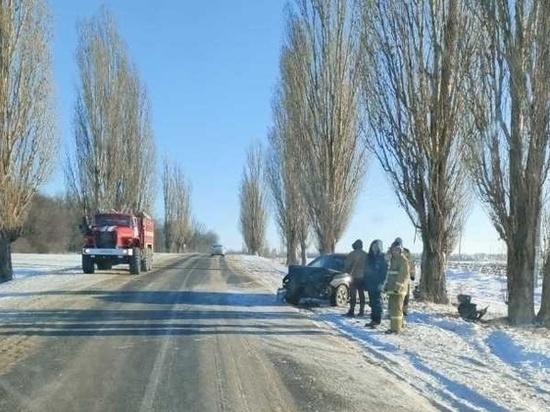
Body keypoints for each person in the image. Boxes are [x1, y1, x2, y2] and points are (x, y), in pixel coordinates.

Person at [384, 243, 410, 334]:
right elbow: (390, 275)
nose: (395, 252)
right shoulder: (393, 260)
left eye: (397, 250)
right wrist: (386, 286)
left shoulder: (403, 261)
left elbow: (403, 276)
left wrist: (397, 288)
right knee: (392, 309)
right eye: (394, 250)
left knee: (396, 309)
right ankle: (398, 326)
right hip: (392, 289)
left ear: (400, 251)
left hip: (398, 290)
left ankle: (395, 329)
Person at [364, 240, 388, 328]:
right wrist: (366, 281)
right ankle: (373, 319)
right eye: (373, 246)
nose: (374, 248)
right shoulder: (369, 257)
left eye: (376, 247)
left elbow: (385, 272)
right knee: (372, 303)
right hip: (370, 283)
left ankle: (377, 320)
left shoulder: (382, 257)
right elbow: (366, 270)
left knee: (377, 302)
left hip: (378, 284)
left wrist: (382, 283)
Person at [390, 237, 416, 316]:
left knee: (406, 294)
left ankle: (405, 309)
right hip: (395, 277)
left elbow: (411, 264)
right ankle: (394, 310)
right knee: (395, 296)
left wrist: (412, 274)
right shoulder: (392, 251)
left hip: (405, 275)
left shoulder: (406, 252)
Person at [344, 239, 368, 317]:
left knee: (353, 295)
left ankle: (352, 310)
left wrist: (346, 272)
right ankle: (361, 311)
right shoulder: (365, 254)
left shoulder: (351, 254)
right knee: (361, 295)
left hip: (353, 277)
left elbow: (347, 266)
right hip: (363, 277)